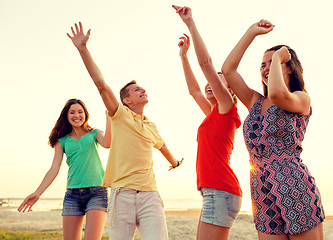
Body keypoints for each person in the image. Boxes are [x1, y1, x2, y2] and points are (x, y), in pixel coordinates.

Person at [67, 22, 183, 240]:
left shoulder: (151, 126)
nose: (143, 90)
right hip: (122, 196)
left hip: (150, 195)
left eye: (143, 88)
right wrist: (83, 49)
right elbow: (101, 84)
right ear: (126, 100)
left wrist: (175, 162)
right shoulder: (119, 115)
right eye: (137, 90)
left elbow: (163, 147)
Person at [221, 19, 325, 239]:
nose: (266, 68)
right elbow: (227, 70)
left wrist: (278, 57)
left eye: (273, 63)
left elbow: (278, 94)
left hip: (294, 185)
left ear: (290, 68)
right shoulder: (255, 101)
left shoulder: (300, 99)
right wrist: (251, 32)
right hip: (261, 189)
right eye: (263, 65)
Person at [173, 5, 242, 240]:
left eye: (218, 81)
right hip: (213, 192)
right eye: (210, 82)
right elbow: (193, 90)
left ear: (229, 91)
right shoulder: (213, 113)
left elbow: (206, 64)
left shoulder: (227, 109)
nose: (210, 83)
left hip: (221, 190)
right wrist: (183, 56)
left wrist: (190, 23)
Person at [18, 98, 112, 240]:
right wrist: (37, 193)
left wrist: (109, 117)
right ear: (66, 116)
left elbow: (107, 143)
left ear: (85, 114)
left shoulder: (94, 133)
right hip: (72, 195)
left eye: (80, 112)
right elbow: (54, 169)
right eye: (72, 112)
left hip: (97, 192)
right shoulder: (62, 140)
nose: (77, 115)